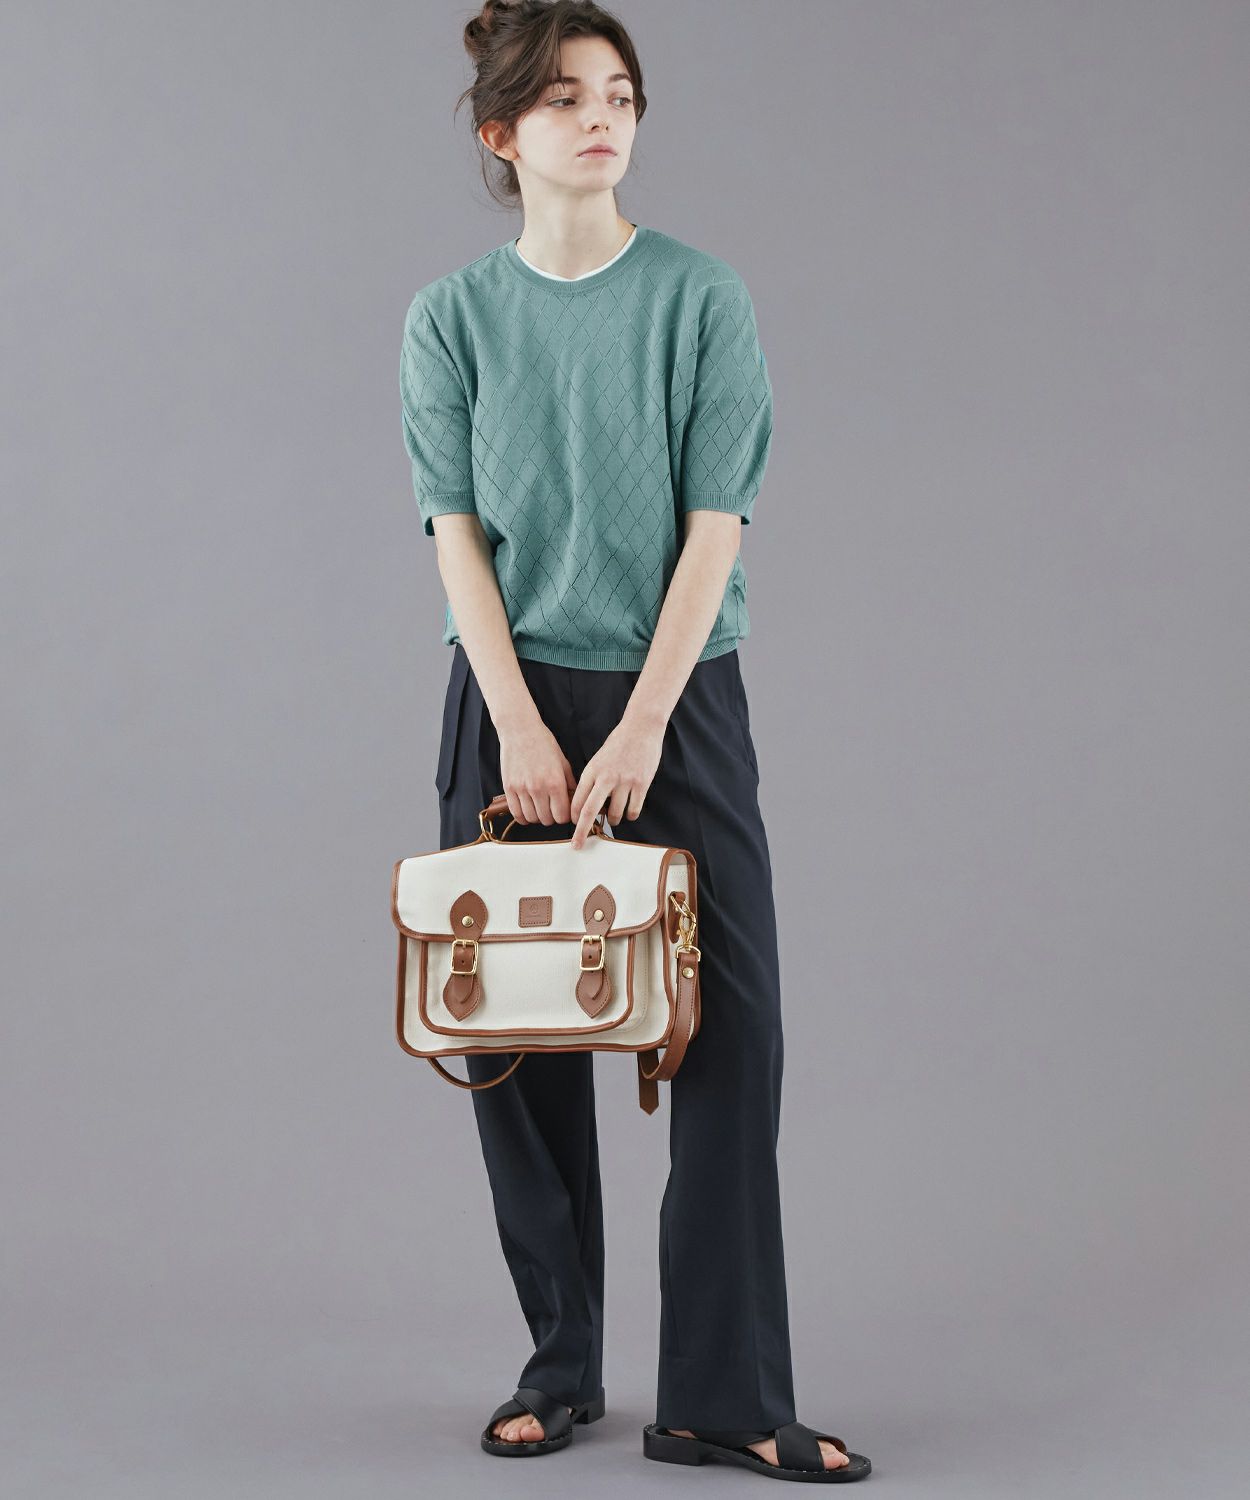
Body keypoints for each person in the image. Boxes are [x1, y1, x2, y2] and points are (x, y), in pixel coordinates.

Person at [398, 0, 871, 1482]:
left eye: (618, 92)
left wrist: (644, 723)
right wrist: (523, 725)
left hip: (681, 694)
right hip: (508, 701)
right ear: (501, 132)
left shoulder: (700, 297)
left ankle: (720, 1396)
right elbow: (456, 536)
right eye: (562, 98)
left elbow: (717, 521)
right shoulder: (449, 318)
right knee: (516, 1034)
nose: (600, 117)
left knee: (730, 1034)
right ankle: (559, 1367)